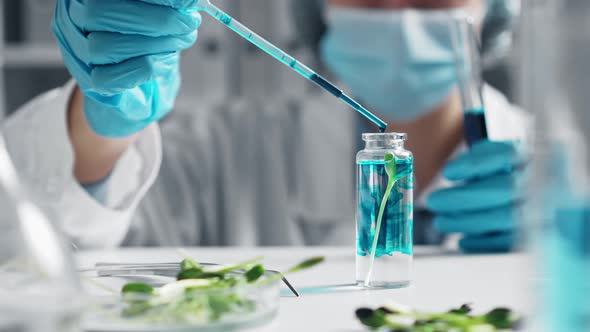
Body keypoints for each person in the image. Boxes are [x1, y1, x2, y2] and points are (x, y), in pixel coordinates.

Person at [1, 0, 527, 252]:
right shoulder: (225, 151)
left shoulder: (561, 172)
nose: (396, 8)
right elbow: (44, 244)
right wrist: (106, 121)